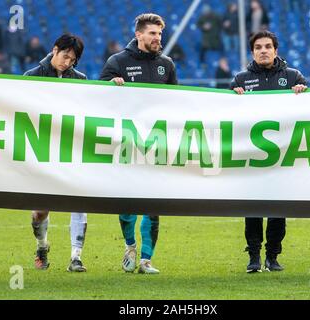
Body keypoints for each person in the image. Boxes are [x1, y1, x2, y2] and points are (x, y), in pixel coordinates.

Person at [100, 13, 178, 274]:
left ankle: (146, 259)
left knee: (154, 203)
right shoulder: (118, 61)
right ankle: (130, 245)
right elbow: (94, 98)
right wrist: (110, 86)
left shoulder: (166, 65)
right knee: (127, 202)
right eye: (153, 33)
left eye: (159, 34)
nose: (158, 38)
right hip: (126, 143)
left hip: (156, 143)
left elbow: (177, 102)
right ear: (138, 35)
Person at [230, 30, 307, 273]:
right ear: (252, 52)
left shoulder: (293, 76)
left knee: (277, 210)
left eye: (267, 46)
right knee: (252, 208)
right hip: (251, 156)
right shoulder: (240, 79)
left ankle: (273, 256)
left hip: (283, 155)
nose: (263, 51)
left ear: (275, 50)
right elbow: (226, 114)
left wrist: (303, 92)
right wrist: (233, 97)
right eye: (258, 47)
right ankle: (253, 256)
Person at [24, 33, 89, 272]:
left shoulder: (80, 79)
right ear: (54, 50)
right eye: (65, 56)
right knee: (40, 210)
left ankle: (76, 257)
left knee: (79, 200)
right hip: (42, 150)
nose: (67, 62)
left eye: (72, 59)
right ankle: (42, 246)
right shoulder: (32, 77)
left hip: (71, 148)